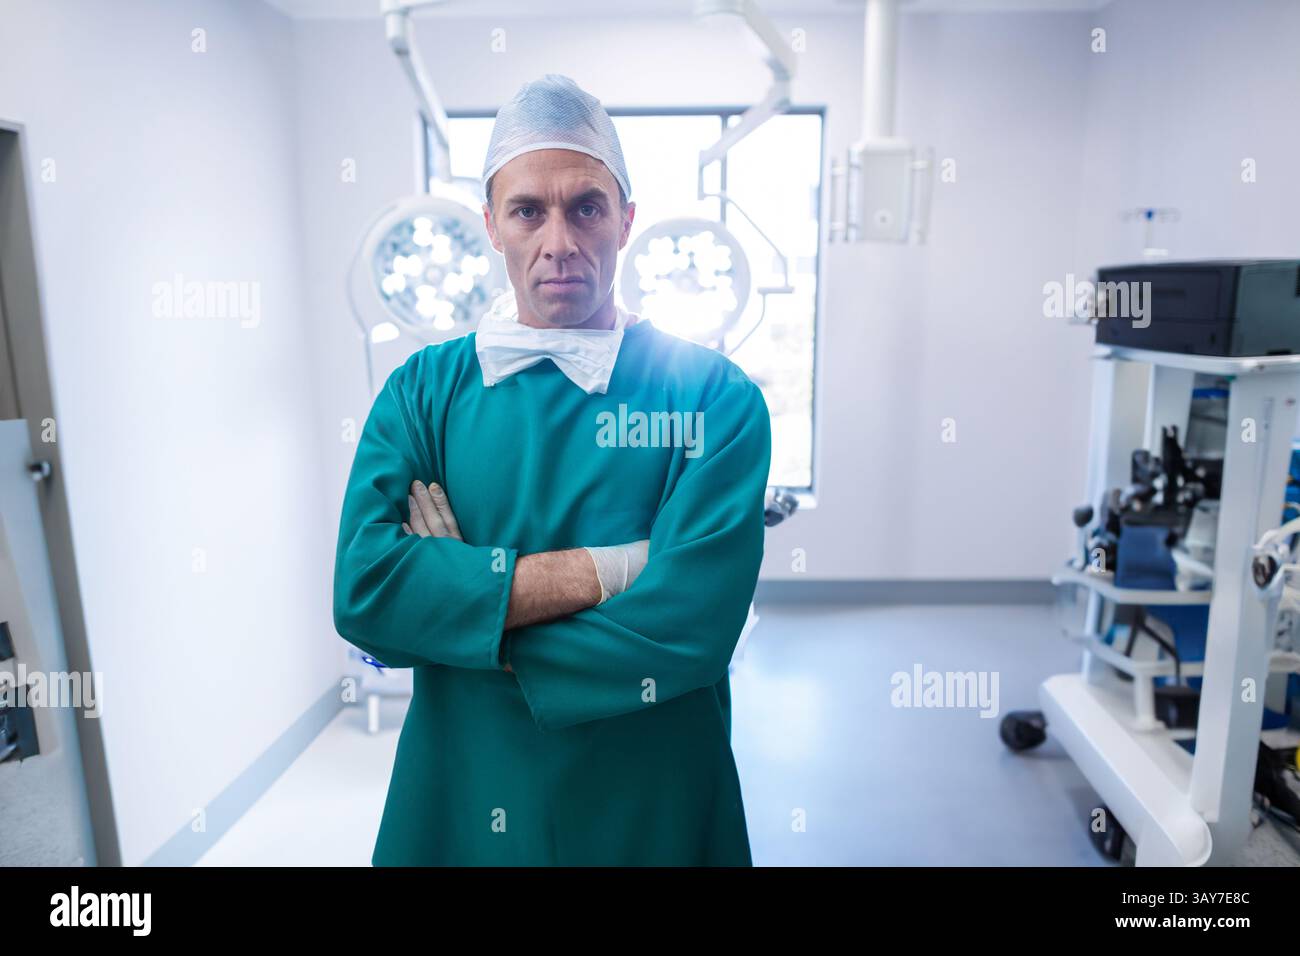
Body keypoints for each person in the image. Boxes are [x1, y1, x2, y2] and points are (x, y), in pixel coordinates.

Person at [332, 74, 772, 865]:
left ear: (627, 219)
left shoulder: (711, 395)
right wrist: (617, 570)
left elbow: (693, 631)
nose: (559, 240)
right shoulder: (424, 392)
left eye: (587, 207)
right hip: (467, 783)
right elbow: (368, 597)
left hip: (653, 789)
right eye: (529, 210)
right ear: (491, 225)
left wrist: (460, 612)